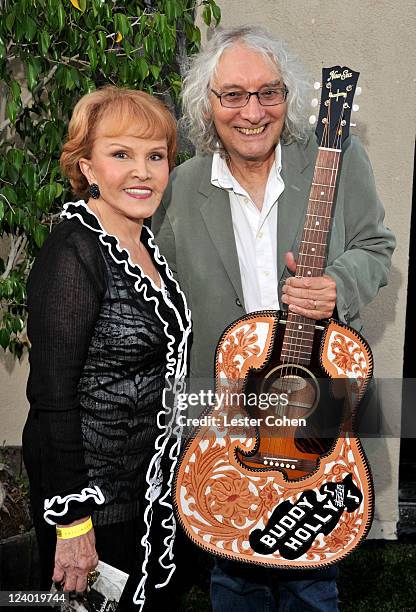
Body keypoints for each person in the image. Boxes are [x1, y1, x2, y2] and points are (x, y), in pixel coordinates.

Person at [152, 26, 396, 612]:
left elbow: (374, 245)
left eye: (269, 93)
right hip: (229, 408)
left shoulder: (336, 160)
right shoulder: (180, 187)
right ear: (206, 105)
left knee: (314, 572)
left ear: (290, 97)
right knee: (233, 565)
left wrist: (338, 284)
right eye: (232, 95)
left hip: (315, 393)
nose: (252, 112)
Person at [22, 86, 191, 611]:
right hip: (94, 501)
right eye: (121, 154)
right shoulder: (74, 252)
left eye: (155, 155)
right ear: (87, 167)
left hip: (146, 490)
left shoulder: (140, 243)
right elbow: (52, 396)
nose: (142, 171)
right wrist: (73, 523)